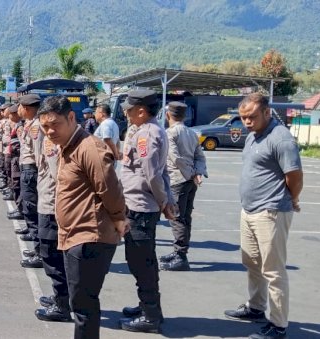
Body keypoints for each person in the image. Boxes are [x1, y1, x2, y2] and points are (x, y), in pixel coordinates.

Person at [38, 95, 127, 339]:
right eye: (45, 126)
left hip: (89, 237)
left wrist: (119, 218)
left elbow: (109, 188)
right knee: (81, 304)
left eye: (54, 124)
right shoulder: (69, 146)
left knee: (84, 306)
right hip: (76, 235)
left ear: (70, 117)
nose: (49, 131)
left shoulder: (89, 148)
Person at [224, 93, 303, 339]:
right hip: (249, 210)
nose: (247, 122)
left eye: (252, 117)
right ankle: (256, 307)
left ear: (267, 113)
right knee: (252, 262)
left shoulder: (281, 139)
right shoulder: (253, 137)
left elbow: (295, 176)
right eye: (243, 117)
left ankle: (278, 325)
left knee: (273, 271)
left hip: (271, 212)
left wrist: (291, 198)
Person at [118, 90, 176, 333]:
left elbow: (153, 174)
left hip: (140, 207)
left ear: (141, 111)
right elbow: (161, 173)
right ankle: (148, 307)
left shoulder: (146, 135)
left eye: (129, 110)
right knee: (141, 260)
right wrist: (166, 200)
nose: (126, 114)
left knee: (142, 262)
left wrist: (164, 202)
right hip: (139, 205)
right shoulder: (147, 131)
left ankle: (151, 316)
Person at [31, 97, 71, 323]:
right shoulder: (52, 137)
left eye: (52, 124)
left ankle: (63, 304)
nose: (49, 130)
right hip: (48, 200)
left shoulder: (55, 140)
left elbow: (58, 174)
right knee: (53, 255)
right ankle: (62, 297)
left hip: (53, 205)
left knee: (52, 255)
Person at [160, 101, 208, 271]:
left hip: (177, 180)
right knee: (185, 217)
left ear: (168, 115)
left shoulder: (169, 133)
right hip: (189, 181)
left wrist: (190, 172)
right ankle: (179, 251)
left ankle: (181, 255)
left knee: (177, 218)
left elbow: (175, 158)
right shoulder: (191, 133)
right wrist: (197, 172)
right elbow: (200, 156)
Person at [16, 94, 43, 269]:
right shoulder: (30, 125)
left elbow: (39, 154)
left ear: (26, 108)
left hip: (31, 171)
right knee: (29, 208)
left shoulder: (36, 127)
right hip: (28, 170)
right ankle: (37, 247)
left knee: (32, 210)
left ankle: (41, 253)